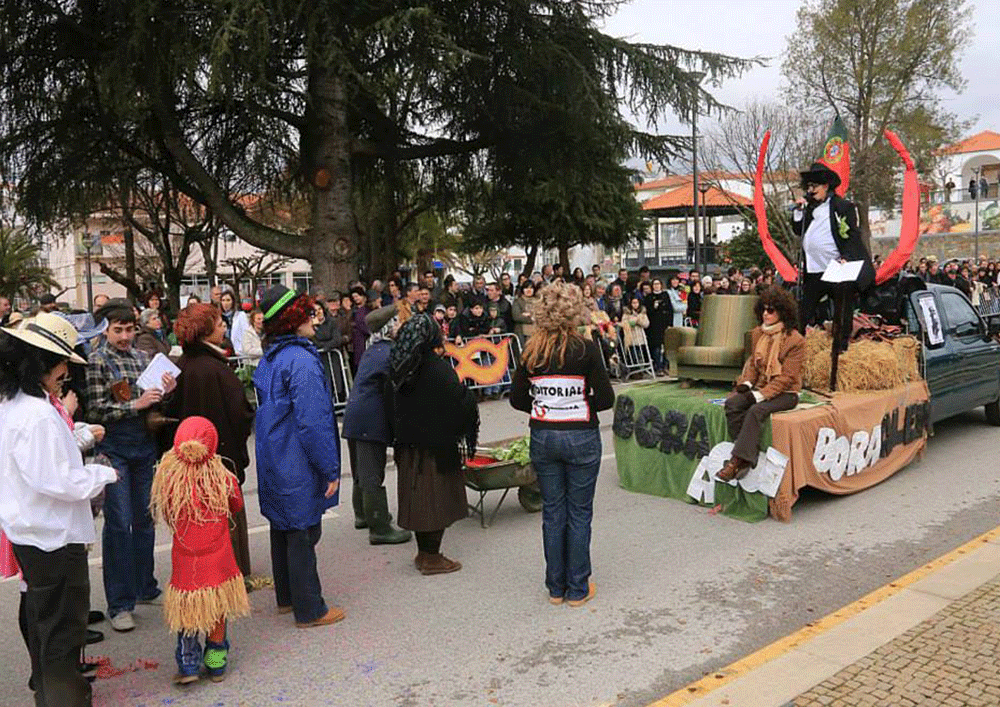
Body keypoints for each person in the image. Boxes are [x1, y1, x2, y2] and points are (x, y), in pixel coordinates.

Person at [0, 314, 117, 707]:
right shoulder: (35, 415)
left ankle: (50, 694)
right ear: (39, 362)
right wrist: (102, 473)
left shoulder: (16, 403)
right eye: (61, 362)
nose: (66, 371)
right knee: (62, 637)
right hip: (53, 538)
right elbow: (58, 481)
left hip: (33, 534)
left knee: (43, 626)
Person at [510, 283, 614, 607]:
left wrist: (544, 405)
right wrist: (577, 403)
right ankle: (578, 589)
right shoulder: (586, 349)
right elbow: (607, 398)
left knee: (553, 511)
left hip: (544, 435)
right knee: (579, 512)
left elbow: (516, 399)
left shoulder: (531, 351)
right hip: (581, 434)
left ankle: (555, 588)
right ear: (574, 312)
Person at [253, 285, 343, 628]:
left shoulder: (272, 356)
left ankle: (287, 598)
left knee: (283, 525)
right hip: (296, 455)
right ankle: (311, 609)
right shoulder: (302, 359)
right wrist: (330, 467)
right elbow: (313, 420)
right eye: (309, 314)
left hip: (275, 451)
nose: (315, 320)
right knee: (303, 530)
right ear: (294, 320)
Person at [86, 305, 176, 632]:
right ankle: (119, 604)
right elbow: (96, 409)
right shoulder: (97, 362)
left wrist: (164, 392)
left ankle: (145, 587)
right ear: (105, 331)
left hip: (143, 446)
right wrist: (134, 404)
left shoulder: (141, 358)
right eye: (118, 330)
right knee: (119, 526)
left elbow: (152, 401)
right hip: (114, 450)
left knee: (145, 519)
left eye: (129, 329)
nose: (125, 336)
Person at [150, 417, 250, 684]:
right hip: (219, 563)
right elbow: (237, 505)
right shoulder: (221, 477)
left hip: (186, 564)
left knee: (188, 616)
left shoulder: (169, 478)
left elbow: (167, 510)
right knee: (217, 614)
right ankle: (216, 666)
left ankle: (188, 666)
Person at [167, 304, 256, 578]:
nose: (224, 327)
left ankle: (202, 572)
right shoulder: (218, 369)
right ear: (206, 331)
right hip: (221, 461)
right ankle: (231, 572)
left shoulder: (181, 367)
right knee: (226, 518)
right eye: (219, 324)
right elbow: (241, 414)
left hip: (189, 464)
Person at [389, 313, 479, 574]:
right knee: (434, 501)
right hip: (434, 447)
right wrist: (467, 405)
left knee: (418, 500)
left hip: (408, 445)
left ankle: (423, 553)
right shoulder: (435, 367)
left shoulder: (400, 365)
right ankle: (432, 557)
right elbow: (457, 400)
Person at [719, 287, 805, 481]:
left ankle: (735, 461)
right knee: (733, 404)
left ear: (783, 312)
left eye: (771, 310)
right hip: (760, 387)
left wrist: (759, 395)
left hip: (787, 393)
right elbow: (753, 363)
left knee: (755, 410)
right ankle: (748, 454)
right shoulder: (758, 333)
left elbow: (787, 378)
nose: (765, 313)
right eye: (763, 309)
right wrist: (747, 384)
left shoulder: (795, 340)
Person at [343, 305, 412, 545]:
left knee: (361, 472)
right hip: (370, 421)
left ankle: (363, 515)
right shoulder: (389, 353)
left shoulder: (374, 350)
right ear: (390, 327)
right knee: (372, 473)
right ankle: (379, 527)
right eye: (399, 323)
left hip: (357, 418)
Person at [792, 162, 874, 349]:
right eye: (809, 187)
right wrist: (798, 211)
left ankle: (841, 347)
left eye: (815, 187)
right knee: (804, 309)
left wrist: (846, 255)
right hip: (814, 269)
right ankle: (795, 344)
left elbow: (852, 235)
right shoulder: (809, 209)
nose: (811, 191)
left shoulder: (842, 207)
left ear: (826, 186)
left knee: (842, 308)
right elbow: (798, 230)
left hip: (836, 267)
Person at [646, 280, 671, 375]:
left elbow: (670, 309)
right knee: (656, 346)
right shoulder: (649, 297)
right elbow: (648, 311)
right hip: (654, 325)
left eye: (658, 284)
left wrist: (670, 323)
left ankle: (666, 366)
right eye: (655, 284)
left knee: (667, 346)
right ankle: (658, 367)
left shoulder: (665, 295)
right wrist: (654, 306)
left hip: (664, 323)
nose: (656, 286)